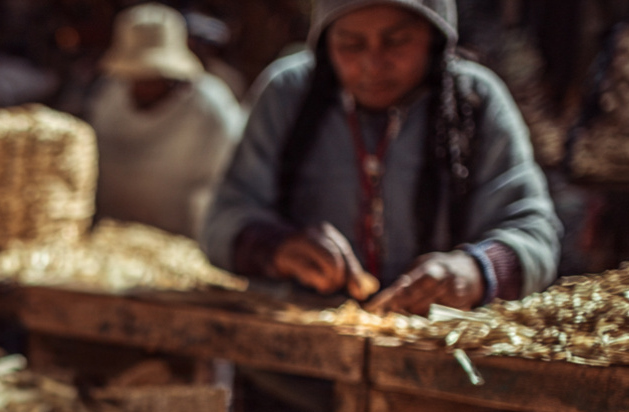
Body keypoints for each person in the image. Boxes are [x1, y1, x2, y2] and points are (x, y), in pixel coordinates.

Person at [202, 0, 561, 314]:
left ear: (435, 36)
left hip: (436, 356)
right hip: (297, 346)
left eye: (397, 40)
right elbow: (223, 220)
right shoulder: (288, 95)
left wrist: (475, 271)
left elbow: (534, 234)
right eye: (350, 44)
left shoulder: (474, 101)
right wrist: (276, 248)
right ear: (325, 42)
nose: (373, 64)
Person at [88, 4, 245, 239]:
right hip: (111, 241)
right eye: (135, 75)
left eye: (152, 75)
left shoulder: (210, 110)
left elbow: (229, 188)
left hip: (183, 245)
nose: (142, 83)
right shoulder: (109, 98)